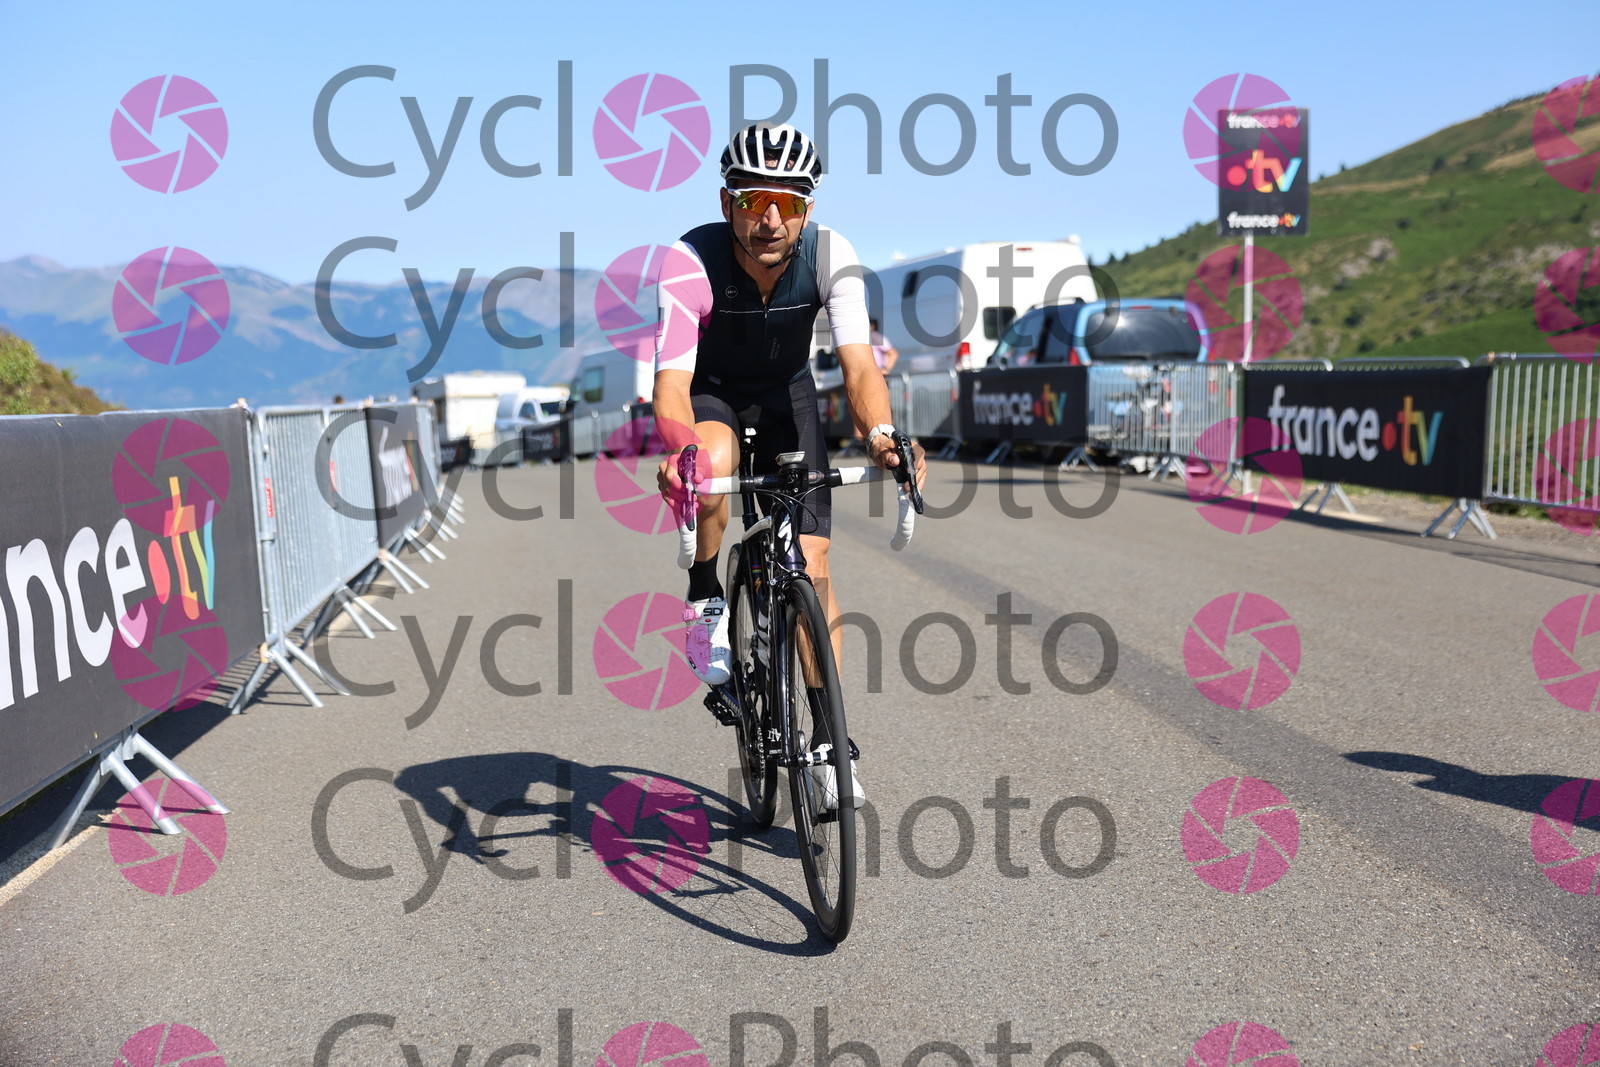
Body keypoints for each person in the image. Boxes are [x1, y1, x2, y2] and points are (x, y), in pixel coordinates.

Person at [653, 122, 926, 808]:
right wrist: (680, 449)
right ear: (726, 202)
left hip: (787, 395)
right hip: (713, 394)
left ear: (808, 208)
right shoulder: (689, 261)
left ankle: (830, 743)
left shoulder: (833, 254)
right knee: (711, 463)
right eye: (753, 201)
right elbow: (671, 385)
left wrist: (883, 436)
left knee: (812, 561)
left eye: (788, 202)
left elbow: (859, 367)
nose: (770, 219)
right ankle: (704, 592)